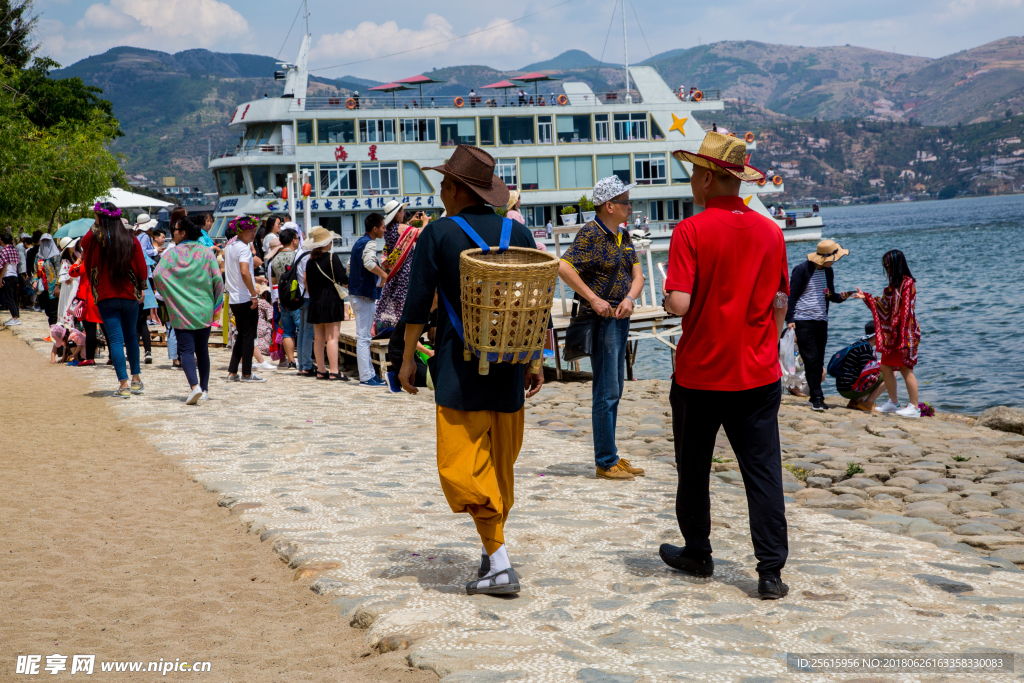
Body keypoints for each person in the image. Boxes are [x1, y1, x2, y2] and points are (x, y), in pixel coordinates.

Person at [398, 144, 543, 596]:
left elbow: (417, 306)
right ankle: (490, 551)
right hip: (510, 364)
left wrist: (406, 360)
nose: (440, 191)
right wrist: (536, 359)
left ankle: (499, 565)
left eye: (444, 184)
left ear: (460, 189)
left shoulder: (437, 234)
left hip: (458, 368)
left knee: (460, 467)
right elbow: (532, 303)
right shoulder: (516, 234)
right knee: (500, 467)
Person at [661, 131, 791, 600]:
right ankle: (770, 571)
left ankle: (698, 552)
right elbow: (780, 300)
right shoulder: (770, 231)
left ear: (709, 178)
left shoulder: (691, 230)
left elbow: (678, 303)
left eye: (695, 171)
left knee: (693, 467)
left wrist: (665, 295)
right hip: (758, 373)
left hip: (700, 374)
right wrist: (768, 344)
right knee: (762, 472)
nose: (691, 179)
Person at [558, 176, 646, 481]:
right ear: (609, 206)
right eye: (624, 201)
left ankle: (610, 453)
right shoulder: (591, 234)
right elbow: (564, 266)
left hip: (620, 317)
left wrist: (631, 299)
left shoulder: (623, 236)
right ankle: (605, 460)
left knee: (615, 387)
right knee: (607, 389)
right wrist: (594, 299)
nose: (629, 206)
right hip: (602, 320)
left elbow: (638, 276)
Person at [80, 202, 149, 397]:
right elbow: (142, 266)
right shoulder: (130, 239)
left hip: (106, 295)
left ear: (100, 218)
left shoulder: (95, 239)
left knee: (116, 340)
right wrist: (142, 288)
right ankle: (136, 379)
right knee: (131, 338)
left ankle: (124, 385)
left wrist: (96, 224)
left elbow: (83, 244)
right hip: (129, 295)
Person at [154, 216, 225, 404]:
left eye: (175, 230)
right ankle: (205, 389)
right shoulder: (207, 253)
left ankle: (194, 387)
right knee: (202, 349)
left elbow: (157, 275)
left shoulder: (170, 254)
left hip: (180, 309)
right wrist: (217, 305)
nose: (172, 234)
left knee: (186, 350)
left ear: (183, 233)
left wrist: (172, 294)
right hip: (204, 307)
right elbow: (218, 280)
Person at [853, 249, 921, 418]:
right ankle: (893, 402)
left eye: (888, 266)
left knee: (906, 369)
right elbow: (883, 305)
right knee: (885, 366)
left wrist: (902, 335)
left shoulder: (908, 283)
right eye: (885, 266)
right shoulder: (893, 286)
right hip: (892, 334)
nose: (887, 269)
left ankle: (914, 407)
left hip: (905, 332)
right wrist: (866, 298)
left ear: (896, 265)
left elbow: (905, 311)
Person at [785, 239, 852, 412]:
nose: (835, 260)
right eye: (834, 257)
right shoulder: (801, 270)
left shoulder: (828, 272)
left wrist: (841, 297)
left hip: (821, 321)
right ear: (825, 257)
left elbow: (829, 295)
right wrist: (790, 320)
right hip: (802, 321)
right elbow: (791, 296)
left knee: (818, 360)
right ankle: (818, 398)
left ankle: (814, 398)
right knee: (811, 360)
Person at [223, 215, 267, 383]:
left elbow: (236, 272)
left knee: (241, 335)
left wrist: (253, 280)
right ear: (241, 231)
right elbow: (243, 271)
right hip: (244, 297)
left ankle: (233, 372)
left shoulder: (230, 247)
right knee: (249, 335)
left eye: (255, 230)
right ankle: (247, 373)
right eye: (250, 231)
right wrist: (253, 294)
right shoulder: (242, 248)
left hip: (234, 297)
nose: (254, 234)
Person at [302, 226, 348, 381]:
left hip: (315, 301)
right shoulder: (331, 257)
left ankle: (321, 370)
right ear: (327, 243)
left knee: (319, 338)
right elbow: (343, 278)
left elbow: (307, 283)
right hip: (331, 300)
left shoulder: (310, 261)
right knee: (333, 337)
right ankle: (334, 371)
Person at [374, 200, 424, 338]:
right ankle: (406, 334)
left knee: (396, 301)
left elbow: (404, 234)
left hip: (394, 271)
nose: (404, 213)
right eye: (402, 211)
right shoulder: (402, 227)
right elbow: (421, 234)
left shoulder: (387, 230)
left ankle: (395, 330)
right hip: (406, 270)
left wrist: (409, 223)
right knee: (405, 302)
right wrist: (425, 222)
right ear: (397, 214)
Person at [349, 212, 388, 387]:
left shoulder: (359, 242)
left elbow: (351, 265)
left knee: (363, 337)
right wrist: (383, 275)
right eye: (383, 227)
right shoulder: (370, 243)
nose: (384, 229)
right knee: (364, 338)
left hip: (356, 294)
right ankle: (366, 377)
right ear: (375, 228)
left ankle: (370, 374)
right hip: (364, 296)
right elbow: (369, 263)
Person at [831, 321, 886, 411]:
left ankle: (855, 401)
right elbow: (867, 373)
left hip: (842, 387)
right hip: (848, 390)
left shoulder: (860, 344)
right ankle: (867, 403)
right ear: (875, 335)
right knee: (891, 373)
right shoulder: (866, 348)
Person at [270, 228, 300, 369]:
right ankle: (303, 358)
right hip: (298, 298)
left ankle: (290, 360)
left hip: (283, 299)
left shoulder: (274, 259)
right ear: (294, 240)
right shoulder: (297, 256)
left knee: (287, 331)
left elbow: (274, 281)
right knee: (302, 330)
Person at [34, 234, 61, 325]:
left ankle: (54, 333)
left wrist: (57, 286)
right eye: (43, 241)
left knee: (54, 312)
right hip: (42, 289)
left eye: (47, 241)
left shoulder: (55, 256)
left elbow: (59, 272)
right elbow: (35, 271)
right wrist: (34, 281)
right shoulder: (38, 257)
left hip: (53, 288)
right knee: (47, 311)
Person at [0, 232, 21, 326]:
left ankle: (15, 318)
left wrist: (0, 278)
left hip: (7, 275)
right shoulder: (14, 250)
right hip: (15, 275)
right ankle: (16, 316)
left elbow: (3, 265)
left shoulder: (4, 251)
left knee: (9, 298)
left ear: (2, 241)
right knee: (14, 297)